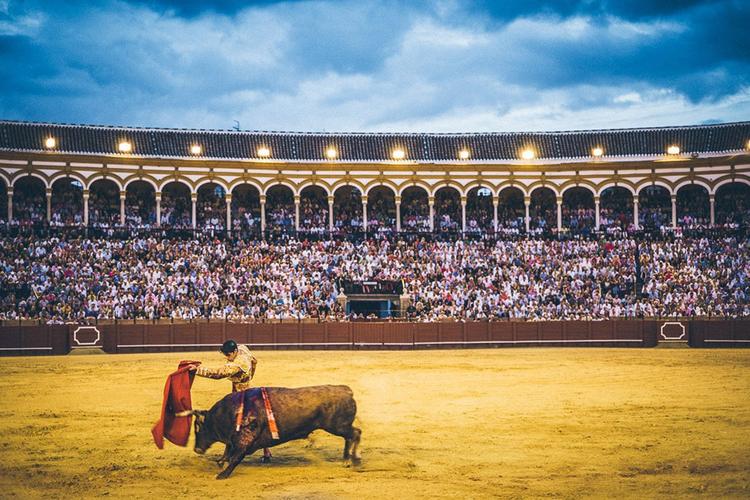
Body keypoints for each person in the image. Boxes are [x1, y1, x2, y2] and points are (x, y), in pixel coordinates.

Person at [190, 339, 272, 462]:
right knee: (252, 422)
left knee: (238, 423)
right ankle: (266, 452)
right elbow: (255, 361)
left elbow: (219, 373)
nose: (228, 358)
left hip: (242, 394)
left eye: (229, 355)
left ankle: (229, 455)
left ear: (234, 351)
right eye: (226, 355)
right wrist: (251, 375)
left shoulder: (238, 364)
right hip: (246, 389)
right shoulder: (243, 348)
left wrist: (198, 370)